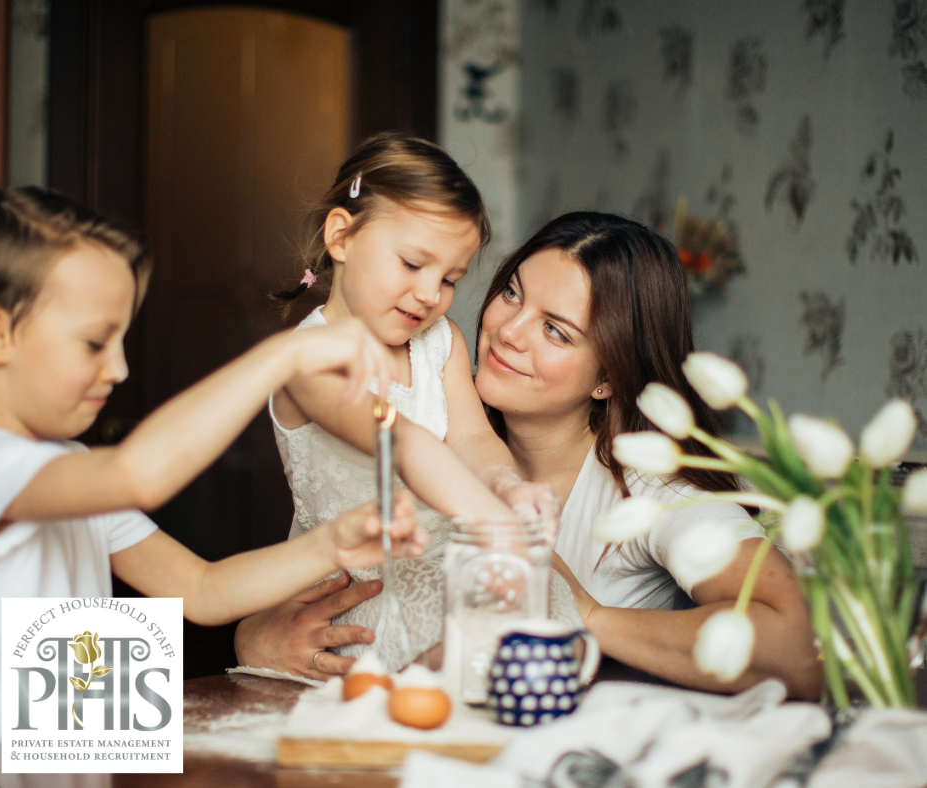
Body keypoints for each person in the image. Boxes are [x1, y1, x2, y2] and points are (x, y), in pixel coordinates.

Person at [240, 211, 822, 700]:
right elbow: (303, 585)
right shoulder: (424, 423)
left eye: (557, 331)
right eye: (512, 293)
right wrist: (258, 636)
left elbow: (796, 651)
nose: (508, 331)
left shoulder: (649, 489)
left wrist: (586, 615)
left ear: (609, 378)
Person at [0, 187, 426, 750]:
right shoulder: (1, 466)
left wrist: (336, 543)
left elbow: (201, 589)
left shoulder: (70, 468)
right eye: (95, 343)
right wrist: (282, 356)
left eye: (120, 341)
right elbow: (138, 474)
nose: (118, 368)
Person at [240, 132, 574, 676]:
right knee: (448, 643)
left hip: (441, 561)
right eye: (412, 264)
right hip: (351, 588)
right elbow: (399, 441)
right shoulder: (307, 358)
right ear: (342, 236)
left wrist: (507, 486)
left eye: (449, 279)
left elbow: (470, 439)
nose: (429, 294)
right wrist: (490, 518)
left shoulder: (440, 341)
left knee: (537, 611)